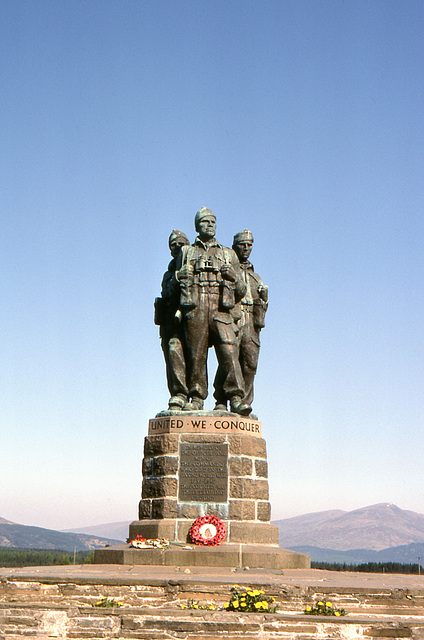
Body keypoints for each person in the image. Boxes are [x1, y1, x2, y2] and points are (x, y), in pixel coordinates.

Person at [174, 208, 251, 415]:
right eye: (205, 222)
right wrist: (179, 276)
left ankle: (235, 397)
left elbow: (242, 291)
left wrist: (233, 276)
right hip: (196, 307)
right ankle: (196, 397)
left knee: (229, 351)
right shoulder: (186, 252)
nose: (210, 225)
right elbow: (173, 288)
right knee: (196, 355)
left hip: (221, 309)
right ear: (197, 226)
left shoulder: (228, 253)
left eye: (213, 222)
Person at [214, 229, 268, 411]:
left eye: (249, 245)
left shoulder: (255, 276)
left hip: (251, 321)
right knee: (229, 359)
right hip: (234, 318)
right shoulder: (227, 268)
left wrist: (264, 299)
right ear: (235, 246)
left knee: (250, 364)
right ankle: (221, 399)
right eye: (242, 245)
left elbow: (261, 305)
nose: (246, 248)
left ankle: (244, 404)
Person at [154, 230, 190, 410]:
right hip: (169, 324)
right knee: (172, 358)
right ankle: (178, 395)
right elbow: (167, 292)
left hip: (189, 322)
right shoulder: (169, 274)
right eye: (173, 245)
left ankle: (190, 397)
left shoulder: (192, 268)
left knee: (190, 359)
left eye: (180, 243)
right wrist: (177, 278)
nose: (176, 247)